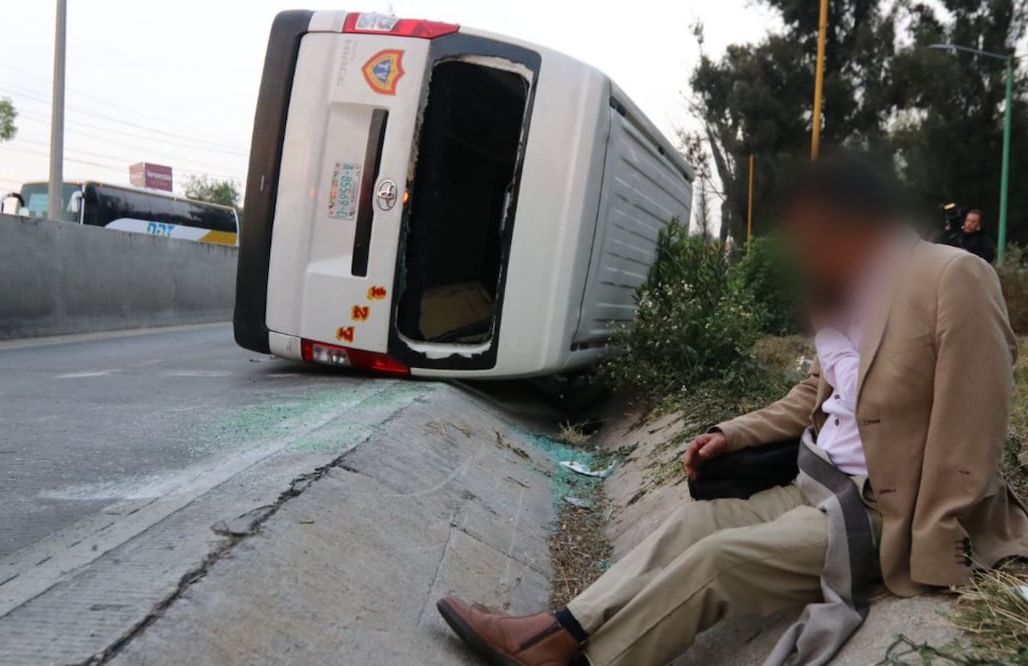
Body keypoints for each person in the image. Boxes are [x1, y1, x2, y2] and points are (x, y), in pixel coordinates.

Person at [435, 155, 1028, 666]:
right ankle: (556, 629)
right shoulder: (851, 285)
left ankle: (584, 659)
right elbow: (816, 396)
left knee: (722, 560)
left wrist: (934, 550)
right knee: (696, 524)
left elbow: (972, 430)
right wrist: (732, 434)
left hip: (884, 511)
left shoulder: (954, 276)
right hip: (818, 484)